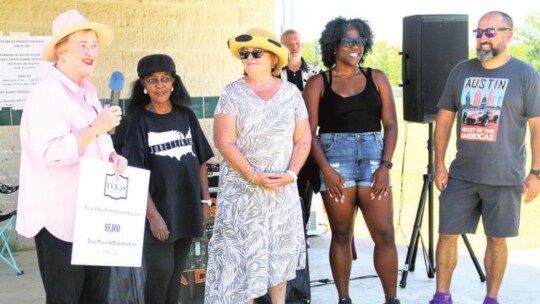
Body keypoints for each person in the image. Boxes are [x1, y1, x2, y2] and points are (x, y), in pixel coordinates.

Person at [16, 9, 127, 303]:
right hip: (59, 222)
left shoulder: (88, 92)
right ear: (60, 51)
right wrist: (95, 127)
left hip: (92, 219)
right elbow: (50, 153)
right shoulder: (47, 94)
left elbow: (95, 142)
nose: (92, 51)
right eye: (83, 45)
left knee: (96, 298)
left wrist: (114, 157)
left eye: (94, 45)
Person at [430, 11, 540, 304]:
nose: (482, 38)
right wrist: (439, 163)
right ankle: (442, 296)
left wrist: (536, 172)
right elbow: (444, 120)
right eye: (478, 32)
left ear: (508, 35)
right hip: (462, 174)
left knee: (496, 239)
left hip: (505, 177)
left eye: (490, 32)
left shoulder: (526, 75)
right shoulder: (461, 71)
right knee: (446, 234)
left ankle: (491, 299)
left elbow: (537, 127)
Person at [204, 28, 312, 304]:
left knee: (279, 261)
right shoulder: (232, 93)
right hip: (243, 195)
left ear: (274, 59)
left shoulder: (291, 94)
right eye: (244, 54)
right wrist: (253, 175)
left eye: (255, 52)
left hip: (280, 192)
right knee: (240, 266)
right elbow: (224, 142)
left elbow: (303, 139)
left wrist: (291, 174)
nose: (248, 57)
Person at [303, 17, 400, 304]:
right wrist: (326, 170)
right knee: (342, 233)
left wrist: (385, 166)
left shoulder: (377, 77)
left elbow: (391, 125)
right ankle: (344, 299)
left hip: (374, 158)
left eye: (360, 41)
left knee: (384, 233)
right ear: (334, 46)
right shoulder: (318, 82)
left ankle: (391, 299)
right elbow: (308, 133)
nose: (356, 46)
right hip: (334, 159)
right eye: (349, 41)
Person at [122, 54, 214, 304]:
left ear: (174, 82)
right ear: (143, 85)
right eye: (152, 80)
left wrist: (204, 203)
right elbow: (135, 172)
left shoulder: (186, 116)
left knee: (175, 273)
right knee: (160, 272)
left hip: (186, 207)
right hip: (157, 211)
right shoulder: (139, 121)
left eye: (165, 79)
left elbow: (201, 161)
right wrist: (153, 216)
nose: (159, 85)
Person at [280, 28, 321, 231]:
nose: (294, 46)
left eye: (296, 42)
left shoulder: (315, 73)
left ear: (302, 44)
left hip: (308, 140)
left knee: (305, 189)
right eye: (289, 43)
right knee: (286, 189)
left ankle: (301, 235)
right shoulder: (275, 73)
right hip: (283, 142)